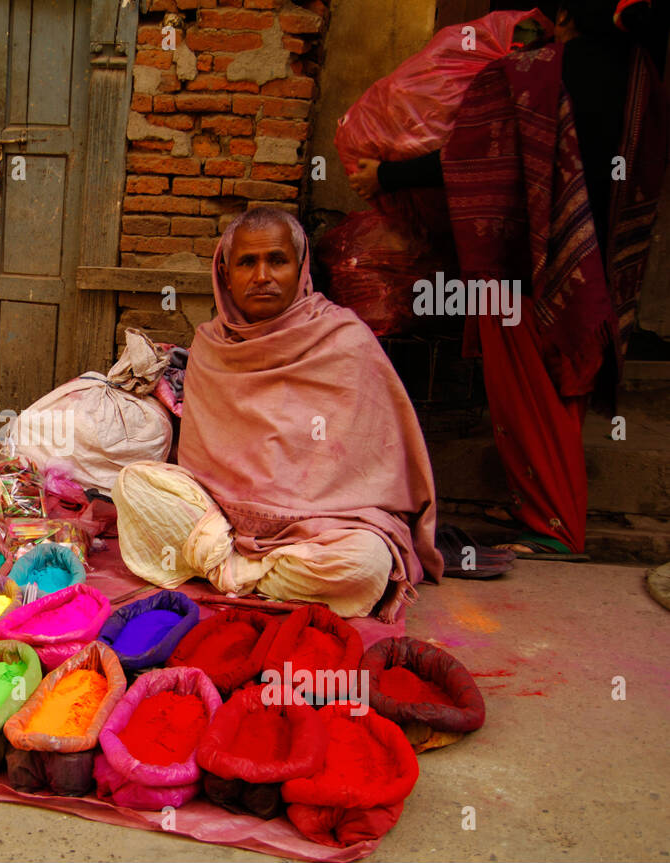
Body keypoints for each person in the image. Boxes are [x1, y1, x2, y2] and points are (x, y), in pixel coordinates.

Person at [348, 0, 667, 559]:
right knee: (569, 387)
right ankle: (536, 503)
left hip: (524, 262)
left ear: (564, 15)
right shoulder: (645, 75)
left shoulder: (527, 75)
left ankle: (555, 526)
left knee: (527, 396)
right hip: (599, 262)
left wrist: (386, 174)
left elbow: (469, 161)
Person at [113, 207, 442, 621]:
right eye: (247, 262)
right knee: (134, 483)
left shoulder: (344, 340)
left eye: (278, 260)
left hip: (325, 528)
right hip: (227, 518)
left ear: (301, 268)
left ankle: (228, 571)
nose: (262, 275)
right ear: (226, 274)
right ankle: (258, 574)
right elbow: (200, 466)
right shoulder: (212, 347)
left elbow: (377, 469)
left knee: (364, 565)